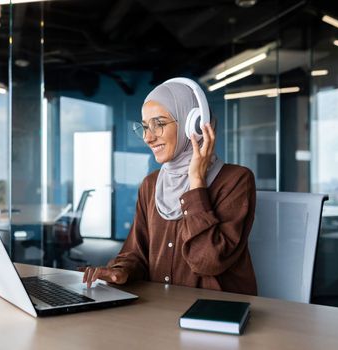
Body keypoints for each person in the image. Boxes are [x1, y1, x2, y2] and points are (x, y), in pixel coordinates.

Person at [81, 78, 257, 295]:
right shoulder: (151, 184)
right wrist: (121, 271)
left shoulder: (236, 180)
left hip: (216, 312)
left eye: (159, 124)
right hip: (161, 309)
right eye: (145, 127)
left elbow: (208, 262)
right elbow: (137, 253)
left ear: (193, 125)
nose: (148, 137)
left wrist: (197, 183)